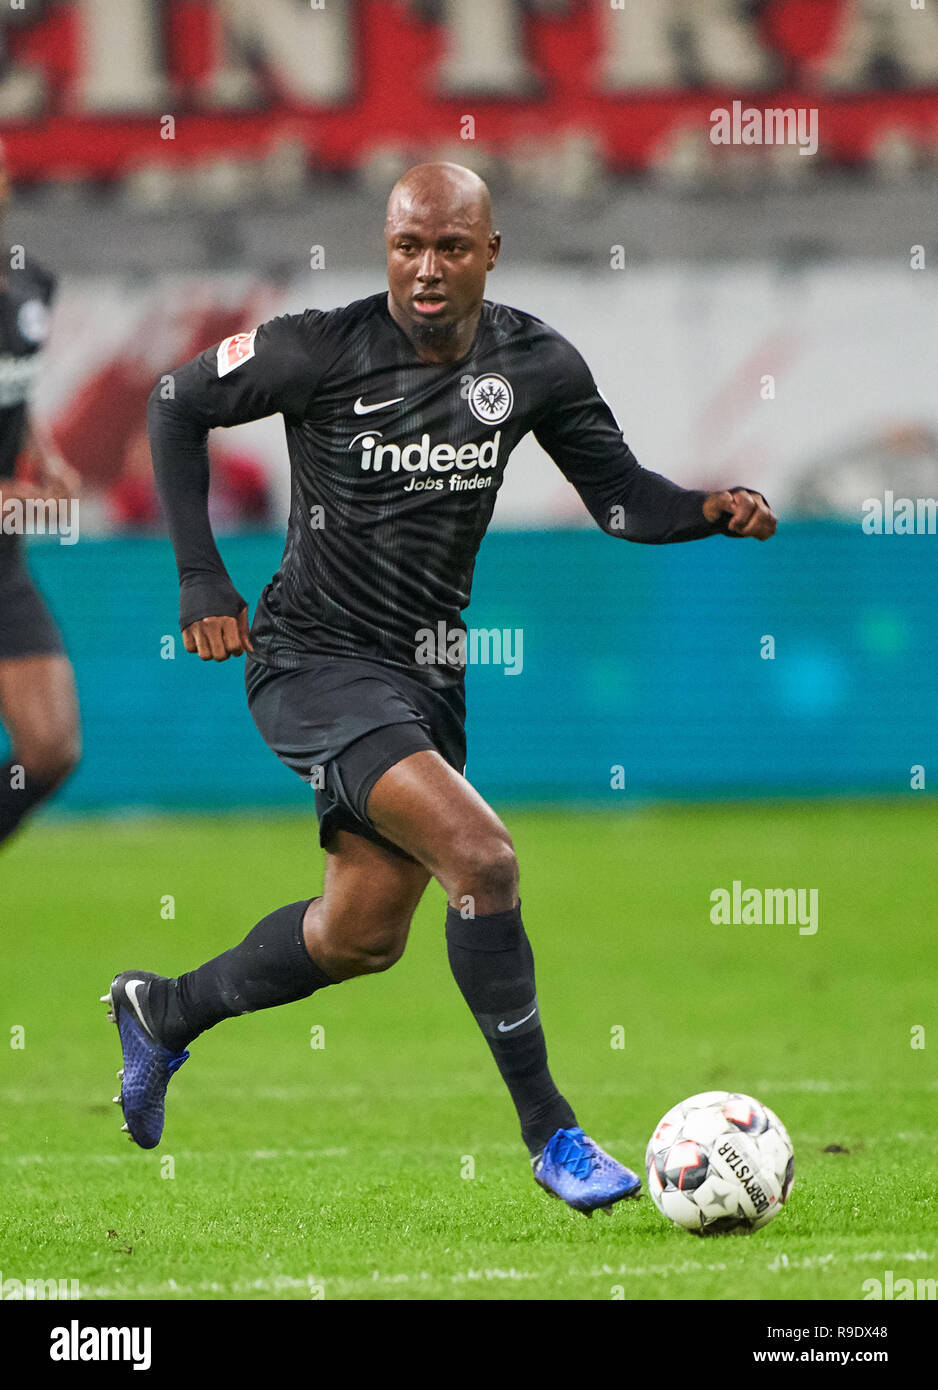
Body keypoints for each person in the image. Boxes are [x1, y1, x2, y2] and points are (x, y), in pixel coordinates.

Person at [106, 163, 775, 1215]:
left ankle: (162, 1011)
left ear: (489, 253)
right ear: (385, 248)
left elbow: (619, 501)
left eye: (449, 248)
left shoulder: (536, 363)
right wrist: (200, 577)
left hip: (423, 678)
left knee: (358, 936)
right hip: (310, 662)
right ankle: (551, 1131)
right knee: (483, 855)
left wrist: (707, 509)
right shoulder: (313, 349)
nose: (425, 269)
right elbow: (173, 401)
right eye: (407, 246)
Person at [0, 143, 80, 849]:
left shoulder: (30, 288)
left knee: (50, 748)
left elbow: (15, 391)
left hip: (3, 563)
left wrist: (46, 460)